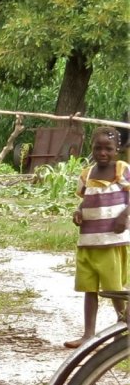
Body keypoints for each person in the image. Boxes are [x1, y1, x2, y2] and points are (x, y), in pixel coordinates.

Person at [67, 127, 129, 347]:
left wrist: (124, 215)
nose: (103, 152)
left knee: (115, 290)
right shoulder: (87, 174)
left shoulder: (122, 170)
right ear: (91, 149)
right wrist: (78, 212)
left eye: (108, 148)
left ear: (117, 150)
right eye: (98, 148)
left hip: (111, 241)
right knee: (89, 288)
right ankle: (88, 334)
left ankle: (124, 328)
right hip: (88, 242)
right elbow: (87, 199)